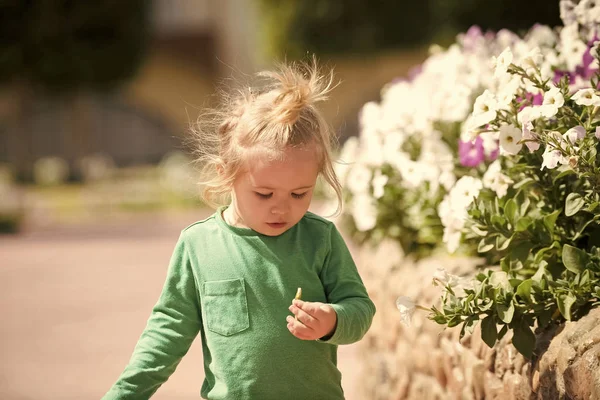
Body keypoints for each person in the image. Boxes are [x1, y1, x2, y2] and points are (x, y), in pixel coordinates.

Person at [103, 59, 376, 400]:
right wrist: (124, 393)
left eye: (299, 193)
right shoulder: (198, 244)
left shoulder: (319, 238)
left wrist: (333, 320)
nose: (282, 207)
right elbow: (168, 330)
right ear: (226, 173)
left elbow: (360, 309)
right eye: (264, 193)